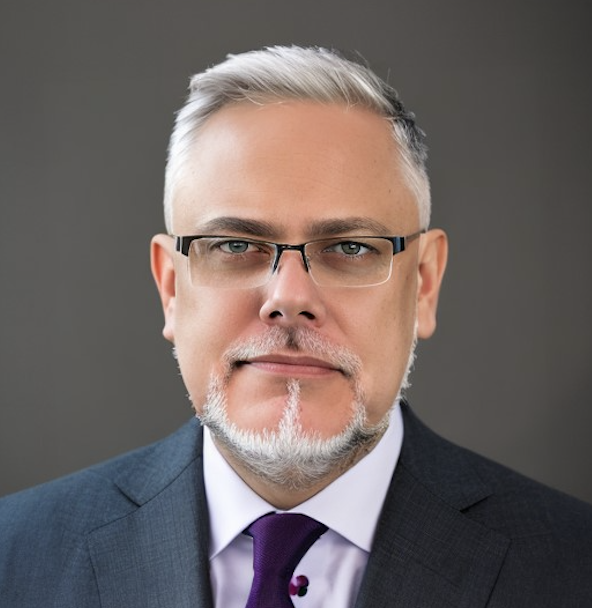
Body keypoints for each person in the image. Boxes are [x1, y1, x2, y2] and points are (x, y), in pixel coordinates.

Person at [1, 45, 591, 608]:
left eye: (351, 248)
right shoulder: (14, 560)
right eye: (235, 244)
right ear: (172, 287)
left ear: (424, 284)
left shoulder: (573, 568)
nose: (289, 298)